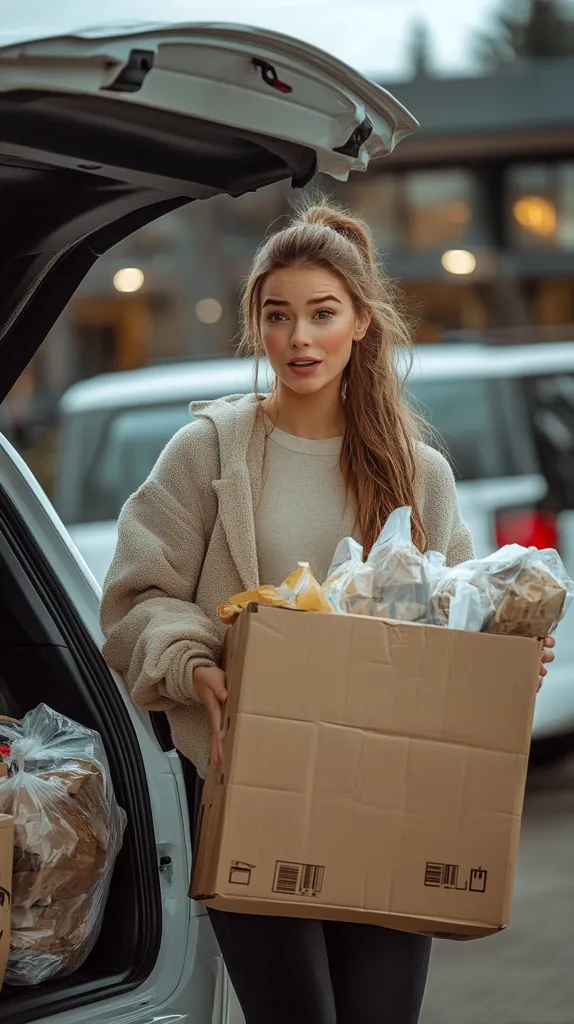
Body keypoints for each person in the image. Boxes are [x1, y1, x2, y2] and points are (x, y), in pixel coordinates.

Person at [100, 200, 555, 1024]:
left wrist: (506, 658)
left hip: (391, 791)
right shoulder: (209, 452)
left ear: (361, 324)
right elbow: (138, 595)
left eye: (321, 314)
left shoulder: (420, 474)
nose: (300, 339)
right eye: (279, 317)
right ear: (257, 328)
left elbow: (458, 616)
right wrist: (194, 662)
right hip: (252, 786)